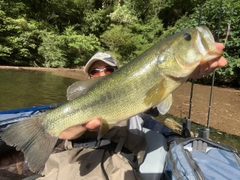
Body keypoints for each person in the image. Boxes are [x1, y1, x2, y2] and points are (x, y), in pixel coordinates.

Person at [35, 43, 227, 180]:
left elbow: (157, 103)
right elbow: (64, 133)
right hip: (70, 163)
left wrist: (186, 71)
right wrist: (84, 125)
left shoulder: (137, 104)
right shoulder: (76, 106)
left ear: (121, 75)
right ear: (88, 78)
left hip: (115, 167)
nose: (101, 74)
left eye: (109, 70)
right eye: (95, 72)